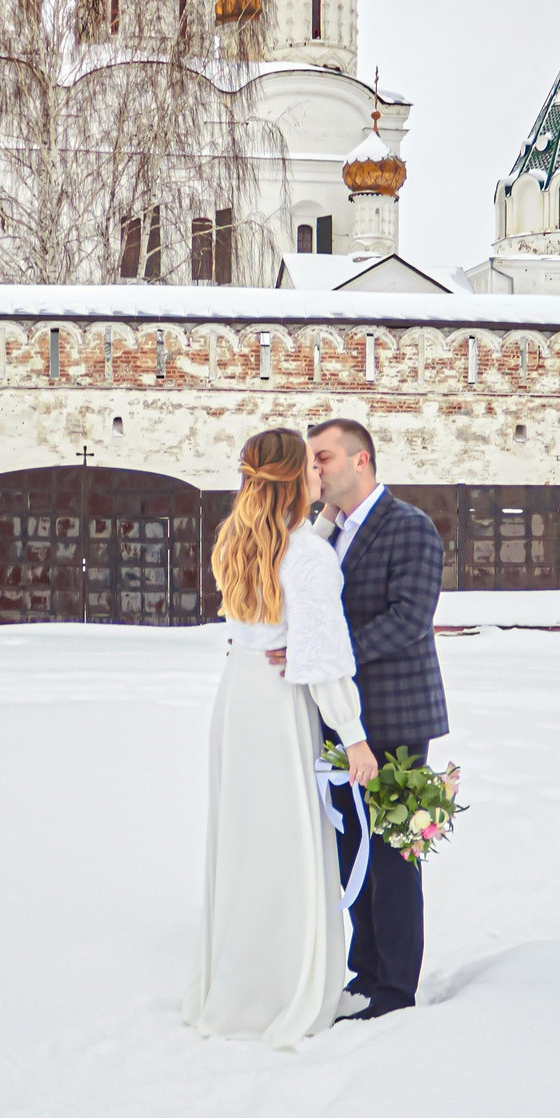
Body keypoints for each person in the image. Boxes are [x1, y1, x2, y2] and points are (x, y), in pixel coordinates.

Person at [185, 428, 381, 1048]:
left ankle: (239, 984)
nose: (323, 473)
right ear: (298, 478)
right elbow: (324, 658)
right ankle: (286, 990)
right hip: (279, 711)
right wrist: (353, 737)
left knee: (246, 845)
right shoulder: (307, 555)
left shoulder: (239, 539)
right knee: (291, 849)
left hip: (237, 699)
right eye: (313, 466)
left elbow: (285, 586)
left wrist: (317, 523)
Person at [306, 418, 449, 1019]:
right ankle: (364, 974)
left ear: (361, 460)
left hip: (392, 715)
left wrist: (329, 656)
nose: (315, 469)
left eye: (324, 458)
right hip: (341, 719)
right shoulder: (325, 534)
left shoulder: (409, 527)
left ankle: (395, 989)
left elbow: (409, 617)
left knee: (391, 853)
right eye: (313, 460)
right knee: (351, 851)